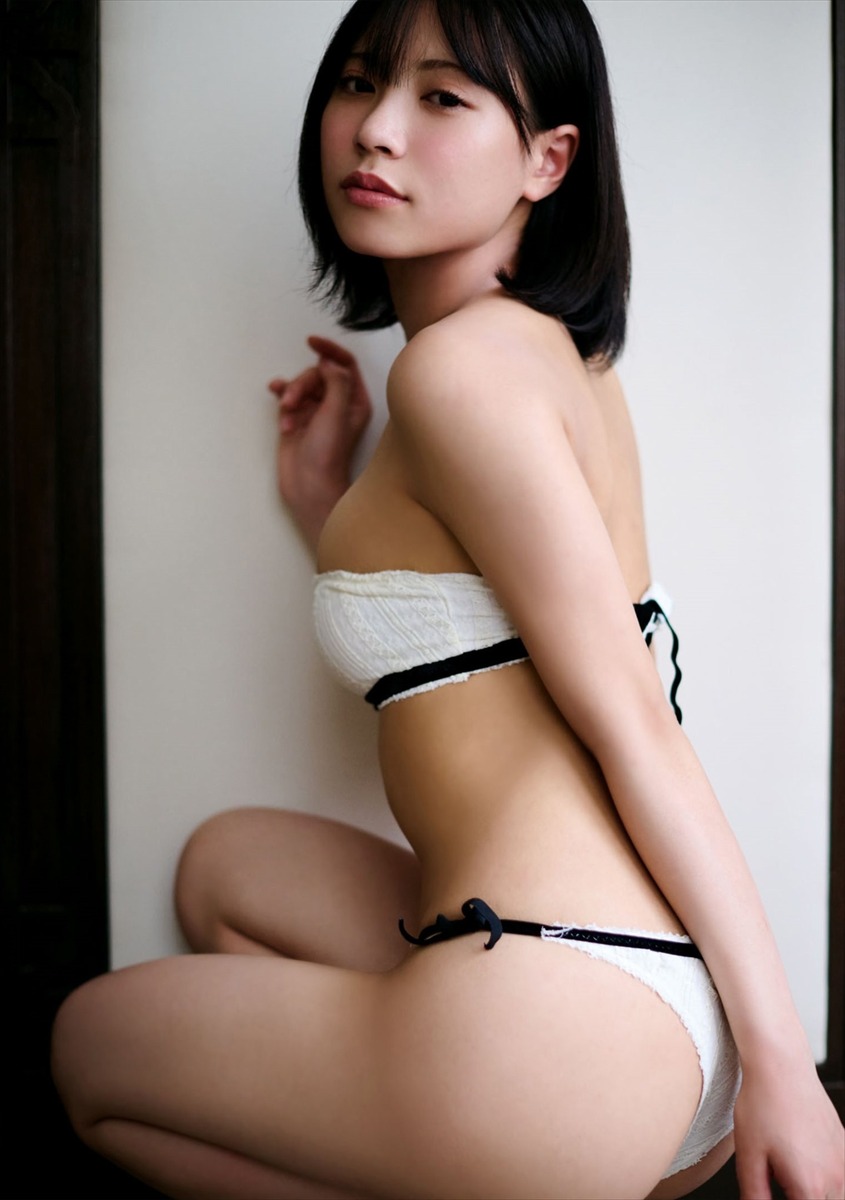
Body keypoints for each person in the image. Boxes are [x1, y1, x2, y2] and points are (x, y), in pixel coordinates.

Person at [52, 1, 843, 1197]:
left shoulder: (457, 373)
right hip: (646, 1013)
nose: (375, 129)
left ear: (547, 162)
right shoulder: (551, 354)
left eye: (439, 97)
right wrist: (327, 504)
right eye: (359, 82)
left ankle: (500, 1140)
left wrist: (788, 1064)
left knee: (85, 1051)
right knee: (222, 872)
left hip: (564, 1014)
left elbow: (634, 724)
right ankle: (487, 1141)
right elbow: (490, 645)